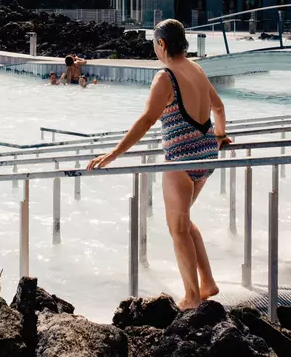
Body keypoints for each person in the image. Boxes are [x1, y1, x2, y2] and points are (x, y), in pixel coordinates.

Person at [86, 19, 231, 309]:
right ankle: (208, 284)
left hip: (180, 159)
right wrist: (221, 136)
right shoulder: (197, 68)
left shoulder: (165, 76)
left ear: (162, 44)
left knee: (177, 229)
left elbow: (147, 119)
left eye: (154, 43)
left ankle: (191, 297)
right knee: (185, 222)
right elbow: (218, 107)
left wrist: (114, 153)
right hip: (205, 155)